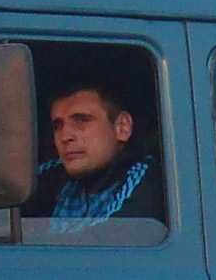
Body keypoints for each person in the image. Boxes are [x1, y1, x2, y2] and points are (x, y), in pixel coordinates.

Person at [41, 82, 162, 230]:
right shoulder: (51, 177)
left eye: (81, 121)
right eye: (57, 126)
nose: (65, 136)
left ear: (122, 127)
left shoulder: (145, 182)